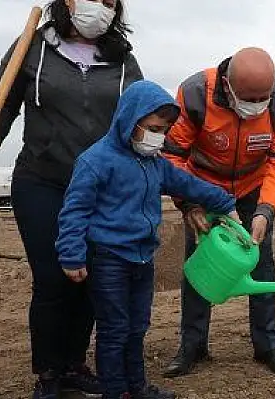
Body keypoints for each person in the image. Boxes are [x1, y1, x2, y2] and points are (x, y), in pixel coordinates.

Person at [0, 1, 143, 397]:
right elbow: (3, 103)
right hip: (43, 179)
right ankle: (49, 372)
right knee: (53, 278)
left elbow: (137, 114)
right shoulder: (33, 46)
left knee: (89, 276)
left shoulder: (122, 57)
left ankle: (75, 364)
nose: (100, 7)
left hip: (99, 188)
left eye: (109, 1)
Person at [55, 80, 239, 399]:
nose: (159, 137)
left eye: (164, 130)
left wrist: (225, 204)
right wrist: (71, 254)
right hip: (109, 259)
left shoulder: (154, 163)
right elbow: (75, 210)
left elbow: (188, 184)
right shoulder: (95, 161)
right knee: (114, 330)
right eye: (153, 128)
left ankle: (137, 387)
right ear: (130, 119)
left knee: (138, 326)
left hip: (142, 258)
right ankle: (116, 391)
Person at [161, 47, 275, 376]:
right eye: (248, 98)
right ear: (227, 84)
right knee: (200, 264)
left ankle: (268, 346)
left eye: (262, 97)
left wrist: (266, 210)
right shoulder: (194, 94)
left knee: (261, 262)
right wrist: (189, 202)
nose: (256, 105)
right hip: (202, 189)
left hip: (253, 189)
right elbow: (173, 157)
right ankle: (192, 346)